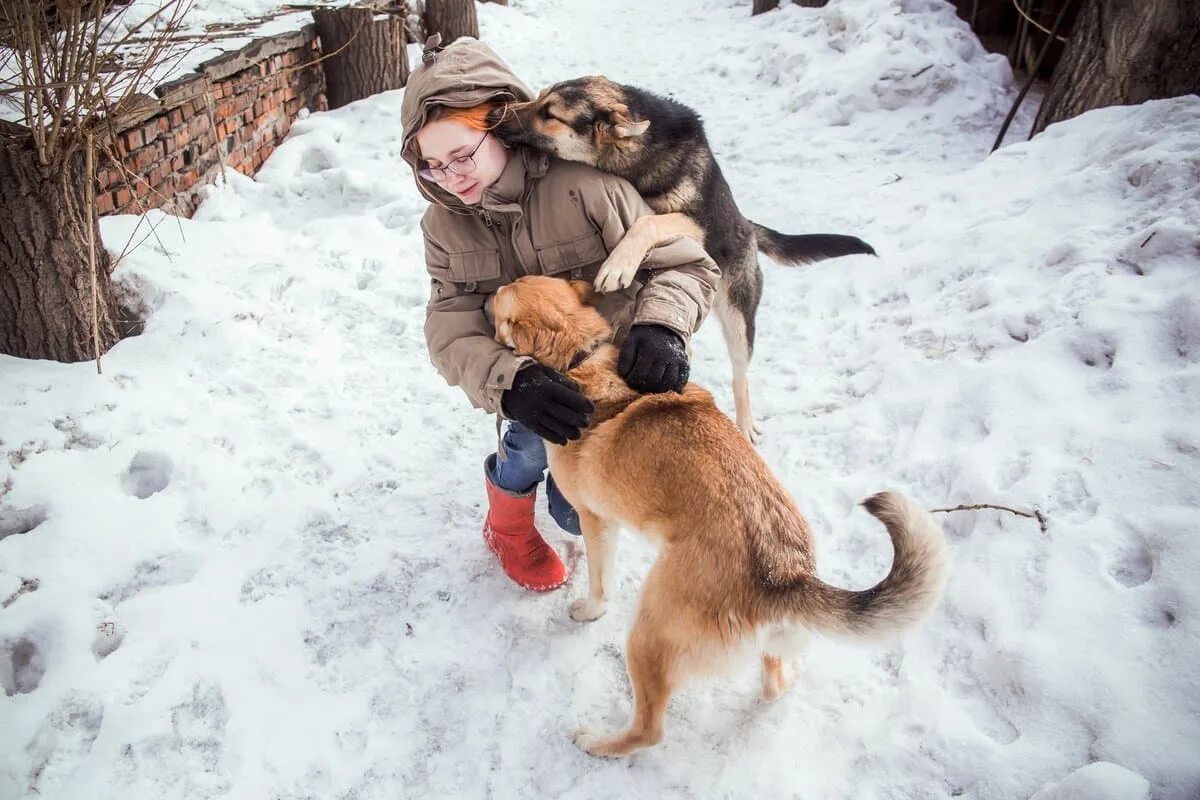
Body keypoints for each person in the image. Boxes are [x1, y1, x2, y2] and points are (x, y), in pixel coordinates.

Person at [401, 37, 720, 592]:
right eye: (432, 166)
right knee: (523, 453)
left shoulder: (590, 188)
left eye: (461, 156)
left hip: (610, 379)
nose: (449, 177)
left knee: (579, 512)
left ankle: (567, 503)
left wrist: (661, 326)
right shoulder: (444, 225)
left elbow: (686, 267)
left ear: (499, 124)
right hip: (529, 385)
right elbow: (447, 324)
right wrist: (509, 382)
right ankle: (507, 527)